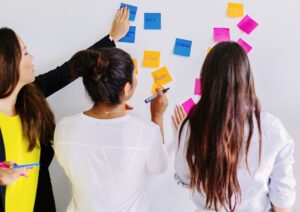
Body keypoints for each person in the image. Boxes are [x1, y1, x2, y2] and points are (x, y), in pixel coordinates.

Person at [0, 7, 130, 212]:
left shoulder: (31, 97)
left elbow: (69, 70)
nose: (32, 57)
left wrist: (112, 38)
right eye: (25, 53)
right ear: (7, 63)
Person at [173, 42, 296, 212]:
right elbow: (282, 201)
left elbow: (185, 177)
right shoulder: (271, 128)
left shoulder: (191, 126)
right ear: (246, 79)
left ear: (207, 80)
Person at [54, 47, 168, 212]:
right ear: (126, 88)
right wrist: (157, 118)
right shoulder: (146, 132)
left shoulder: (63, 128)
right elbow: (159, 167)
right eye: (134, 76)